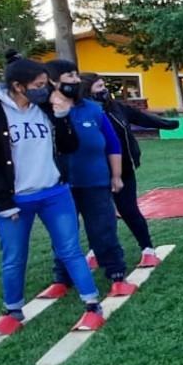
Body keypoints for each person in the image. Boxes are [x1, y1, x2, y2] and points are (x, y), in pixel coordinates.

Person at [0, 50, 105, 334]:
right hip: (15, 199)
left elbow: (68, 146)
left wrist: (63, 117)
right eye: (39, 85)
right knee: (14, 257)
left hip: (54, 193)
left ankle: (92, 305)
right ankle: (12, 310)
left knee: (70, 250)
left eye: (46, 84)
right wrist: (2, 201)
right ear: (18, 86)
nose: (46, 90)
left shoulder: (44, 108)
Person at [45, 59, 135, 296]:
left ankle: (116, 274)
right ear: (53, 81)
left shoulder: (93, 109)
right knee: (63, 233)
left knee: (103, 229)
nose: (76, 80)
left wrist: (116, 176)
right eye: (70, 76)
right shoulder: (43, 110)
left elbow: (113, 144)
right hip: (59, 186)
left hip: (95, 182)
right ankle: (62, 278)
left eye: (76, 75)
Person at [80, 73, 179, 266]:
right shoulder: (80, 112)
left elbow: (142, 118)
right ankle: (96, 250)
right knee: (96, 214)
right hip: (94, 172)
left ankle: (147, 249)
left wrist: (168, 124)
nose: (104, 90)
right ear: (86, 91)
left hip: (123, 168)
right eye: (99, 87)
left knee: (128, 210)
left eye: (103, 85)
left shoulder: (117, 108)